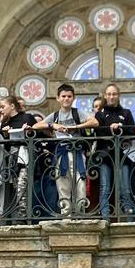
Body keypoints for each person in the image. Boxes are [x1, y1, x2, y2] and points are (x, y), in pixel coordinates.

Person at [33, 84, 95, 217]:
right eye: (63, 96)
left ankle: (80, 214)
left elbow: (94, 122)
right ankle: (66, 214)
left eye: (69, 96)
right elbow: (36, 126)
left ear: (73, 98)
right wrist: (52, 125)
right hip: (61, 152)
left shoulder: (77, 113)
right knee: (62, 184)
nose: (66, 99)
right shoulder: (55, 115)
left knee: (80, 183)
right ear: (58, 98)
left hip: (77, 151)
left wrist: (76, 127)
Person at [92, 83, 135, 219]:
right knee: (104, 188)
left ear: (118, 96)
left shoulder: (126, 113)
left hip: (123, 156)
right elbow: (97, 133)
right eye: (109, 94)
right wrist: (110, 128)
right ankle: (105, 219)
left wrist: (120, 126)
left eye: (114, 94)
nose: (111, 97)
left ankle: (129, 220)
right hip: (105, 156)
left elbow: (132, 131)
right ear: (105, 96)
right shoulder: (100, 114)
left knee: (125, 189)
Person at [0, 94, 37, 220]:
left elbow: (40, 135)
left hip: (25, 155)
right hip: (12, 158)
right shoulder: (5, 123)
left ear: (12, 106)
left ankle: (24, 218)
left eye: (3, 106)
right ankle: (18, 217)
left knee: (22, 186)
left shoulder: (27, 117)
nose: (1, 110)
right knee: (15, 187)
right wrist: (4, 134)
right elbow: (5, 145)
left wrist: (29, 131)